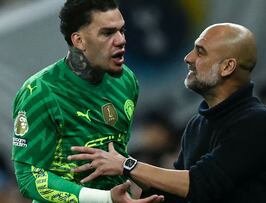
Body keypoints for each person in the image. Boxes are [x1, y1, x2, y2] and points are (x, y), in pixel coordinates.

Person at [68, 23, 266, 202]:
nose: (188, 58)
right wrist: (123, 186)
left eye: (200, 52)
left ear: (227, 67)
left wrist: (128, 165)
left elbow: (200, 185)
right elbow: (176, 196)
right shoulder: (197, 125)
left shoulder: (257, 121)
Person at [11, 0, 164, 202]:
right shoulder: (40, 92)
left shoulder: (126, 81)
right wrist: (105, 198)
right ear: (79, 41)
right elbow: (28, 177)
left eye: (122, 30)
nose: (121, 40)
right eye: (108, 33)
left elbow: (117, 153)